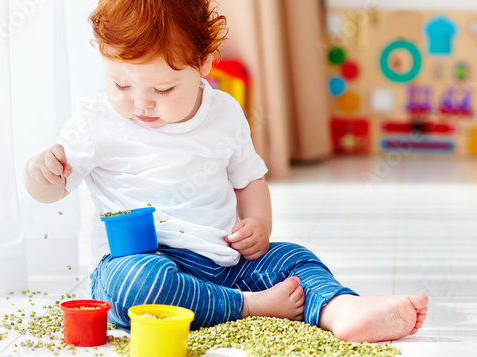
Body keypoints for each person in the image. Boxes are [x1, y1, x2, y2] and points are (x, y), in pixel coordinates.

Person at [23, 0, 428, 343]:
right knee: (135, 286)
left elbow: (248, 179)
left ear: (203, 65)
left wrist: (258, 224)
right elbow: (51, 191)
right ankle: (250, 307)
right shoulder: (95, 121)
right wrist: (41, 175)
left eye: (162, 89)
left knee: (294, 258)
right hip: (139, 261)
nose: (141, 103)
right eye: (120, 85)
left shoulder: (224, 114)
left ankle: (340, 310)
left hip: (224, 263)